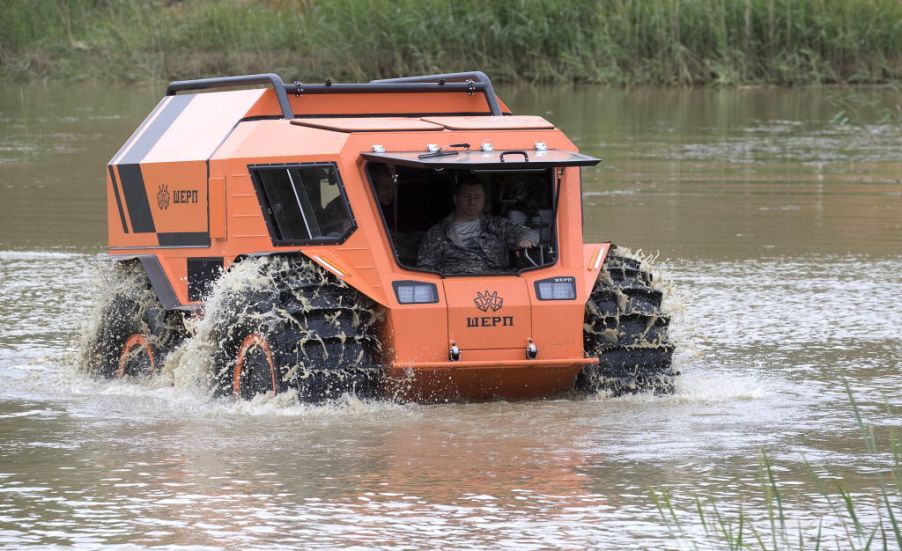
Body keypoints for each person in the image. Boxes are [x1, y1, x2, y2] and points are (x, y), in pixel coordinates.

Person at [417, 178, 537, 274]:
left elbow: (530, 233)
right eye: (466, 197)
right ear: (455, 199)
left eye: (477, 197)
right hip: (457, 290)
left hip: (499, 286)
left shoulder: (497, 225)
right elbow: (425, 270)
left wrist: (526, 240)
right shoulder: (438, 233)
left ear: (484, 200)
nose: (472, 202)